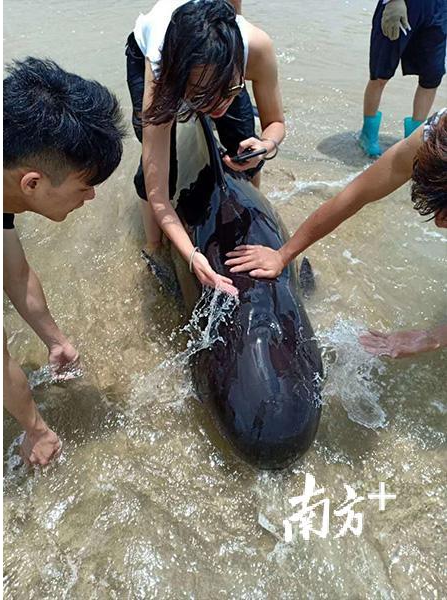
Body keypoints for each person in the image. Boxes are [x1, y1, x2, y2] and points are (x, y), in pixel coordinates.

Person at [225, 109, 447, 358]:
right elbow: (354, 196)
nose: (439, 224)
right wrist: (283, 255)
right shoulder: (432, 137)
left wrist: (433, 338)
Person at [3, 58, 125, 466]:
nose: (90, 198)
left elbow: (17, 274)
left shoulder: (7, 188)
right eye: (84, 187)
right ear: (33, 184)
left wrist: (56, 341)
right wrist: (36, 430)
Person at [126, 0, 285, 295]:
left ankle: (247, 212)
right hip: (157, 59)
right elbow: (159, 196)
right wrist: (191, 255)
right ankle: (153, 245)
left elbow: (275, 122)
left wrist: (266, 145)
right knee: (157, 172)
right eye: (202, 97)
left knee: (244, 143)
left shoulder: (257, 49)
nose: (216, 105)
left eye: (228, 91)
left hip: (215, 71)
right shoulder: (160, 73)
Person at [358, 0, 446, 157]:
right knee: (380, 74)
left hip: (438, 8)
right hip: (403, 5)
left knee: (432, 76)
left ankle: (414, 139)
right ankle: (368, 134)